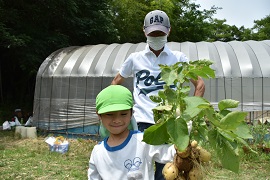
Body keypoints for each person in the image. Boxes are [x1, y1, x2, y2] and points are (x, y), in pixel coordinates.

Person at [111, 9, 205, 179]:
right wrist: (114, 112)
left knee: (166, 172)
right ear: (144, 31)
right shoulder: (135, 58)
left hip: (170, 123)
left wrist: (190, 116)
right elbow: (115, 83)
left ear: (169, 31)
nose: (156, 37)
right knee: (138, 170)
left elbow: (199, 85)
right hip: (142, 124)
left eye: (160, 33)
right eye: (152, 33)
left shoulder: (178, 59)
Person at [88, 85, 176, 180]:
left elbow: (170, 153)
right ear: (99, 115)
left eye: (123, 114)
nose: (117, 120)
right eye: (109, 114)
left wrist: (185, 137)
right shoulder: (98, 152)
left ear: (131, 113)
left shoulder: (143, 141)